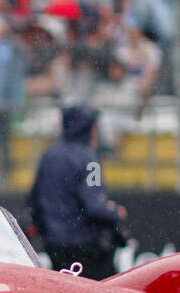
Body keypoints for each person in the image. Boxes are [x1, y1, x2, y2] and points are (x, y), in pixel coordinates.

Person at [27, 105, 127, 279]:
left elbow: (34, 202)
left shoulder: (49, 155)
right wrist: (115, 212)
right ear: (92, 129)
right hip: (86, 249)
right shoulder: (89, 160)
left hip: (55, 247)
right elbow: (95, 207)